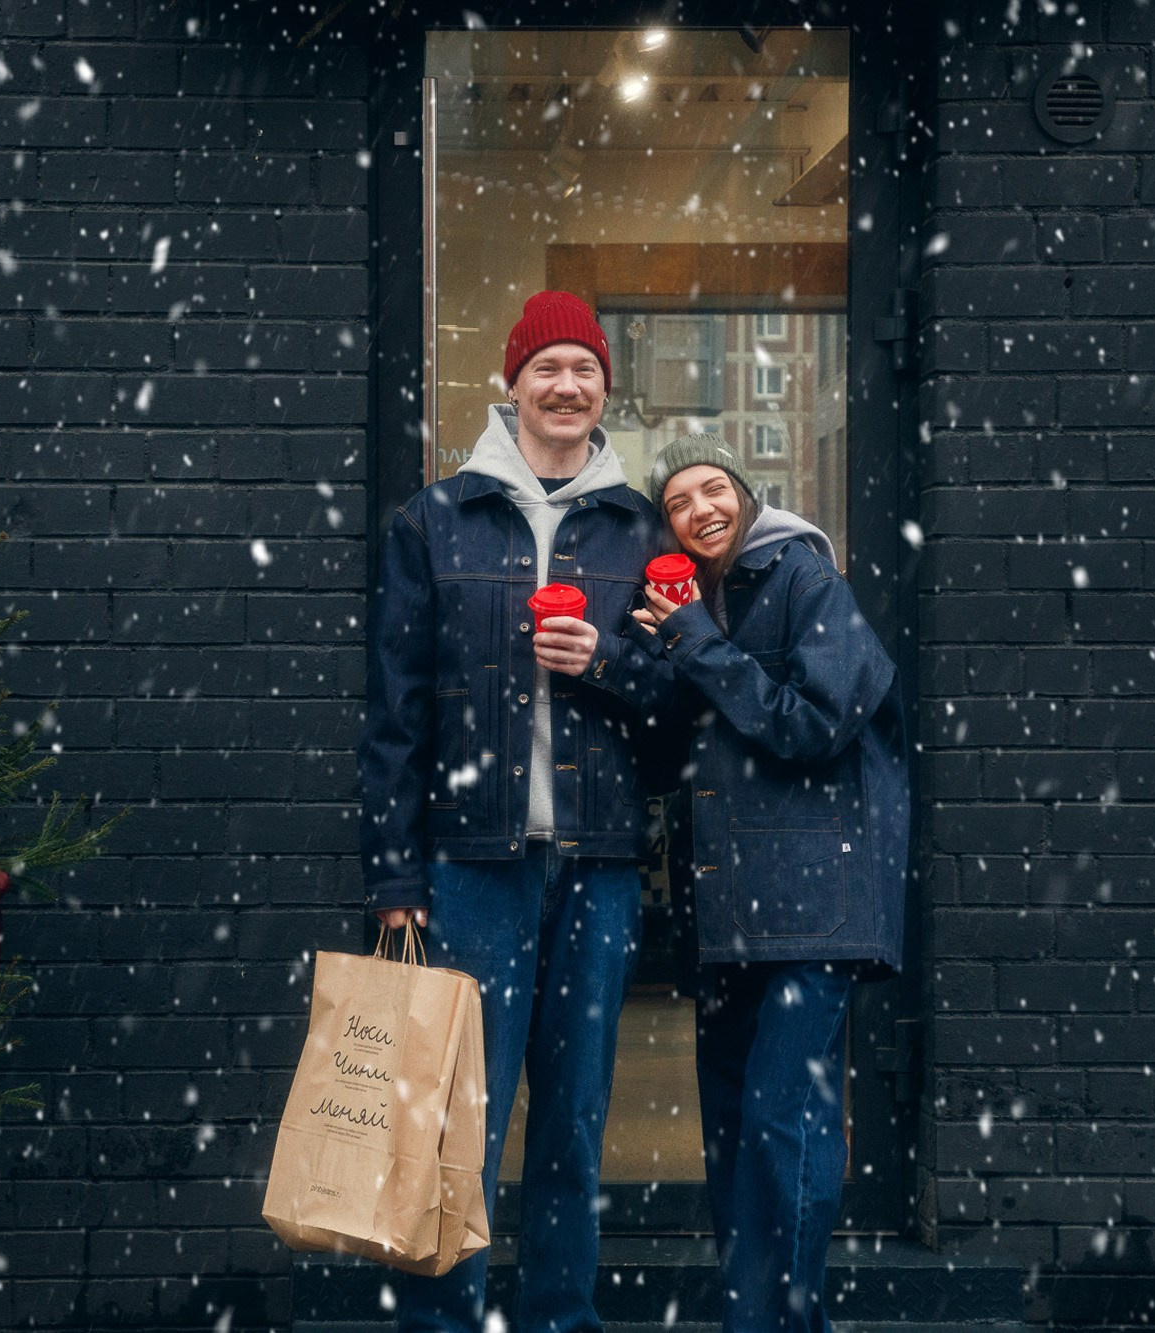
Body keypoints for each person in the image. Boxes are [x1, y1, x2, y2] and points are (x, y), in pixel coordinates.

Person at [358, 291, 667, 1333]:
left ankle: (558, 1318)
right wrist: (394, 877)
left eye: (584, 368)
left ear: (603, 389)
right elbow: (393, 716)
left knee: (573, 1120)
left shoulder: (638, 528)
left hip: (599, 864)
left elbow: (682, 702)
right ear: (513, 381)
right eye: (547, 367)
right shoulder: (434, 519)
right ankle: (442, 1322)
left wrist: (612, 662)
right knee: (454, 1122)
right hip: (470, 865)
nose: (566, 385)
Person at [627, 433, 908, 1333]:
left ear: (746, 494)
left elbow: (810, 725)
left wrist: (698, 645)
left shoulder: (805, 581)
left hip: (816, 911)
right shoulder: (695, 607)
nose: (701, 508)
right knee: (741, 1137)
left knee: (781, 1128)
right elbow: (677, 750)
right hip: (735, 914)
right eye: (678, 501)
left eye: (713, 488)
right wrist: (615, 661)